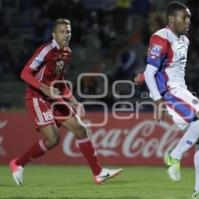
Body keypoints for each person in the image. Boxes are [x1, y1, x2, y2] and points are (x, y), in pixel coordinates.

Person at [9, 19, 122, 186]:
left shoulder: (67, 52)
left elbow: (59, 80)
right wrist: (45, 89)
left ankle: (98, 173)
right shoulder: (46, 50)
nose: (66, 34)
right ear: (54, 34)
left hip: (53, 97)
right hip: (37, 97)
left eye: (68, 31)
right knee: (53, 139)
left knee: (80, 129)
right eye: (62, 31)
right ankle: (18, 164)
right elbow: (25, 73)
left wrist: (74, 101)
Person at [134, 2, 199, 198]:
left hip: (180, 90)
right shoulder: (160, 37)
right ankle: (173, 155)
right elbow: (152, 72)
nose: (188, 21)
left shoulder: (184, 39)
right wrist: (157, 101)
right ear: (171, 19)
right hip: (168, 93)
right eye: (184, 17)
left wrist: (142, 76)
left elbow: (164, 65)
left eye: (189, 17)